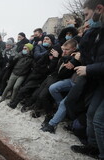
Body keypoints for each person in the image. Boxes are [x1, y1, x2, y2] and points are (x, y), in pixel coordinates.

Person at [70, 0, 104, 159]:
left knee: (98, 119)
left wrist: (89, 69)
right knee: (91, 114)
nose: (85, 19)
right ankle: (93, 147)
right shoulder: (98, 30)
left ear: (99, 9)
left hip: (97, 77)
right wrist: (88, 33)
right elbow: (87, 52)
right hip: (100, 82)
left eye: (86, 15)